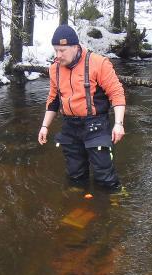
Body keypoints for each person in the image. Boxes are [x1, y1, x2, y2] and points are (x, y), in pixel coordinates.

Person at [37, 25, 126, 190]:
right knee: (75, 175)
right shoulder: (54, 69)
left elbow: (116, 93)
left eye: (62, 50)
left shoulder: (98, 63)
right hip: (70, 125)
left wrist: (119, 124)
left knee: (104, 175)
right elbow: (53, 99)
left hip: (96, 124)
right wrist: (44, 126)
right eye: (55, 50)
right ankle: (80, 201)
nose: (58, 55)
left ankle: (113, 203)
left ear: (75, 47)